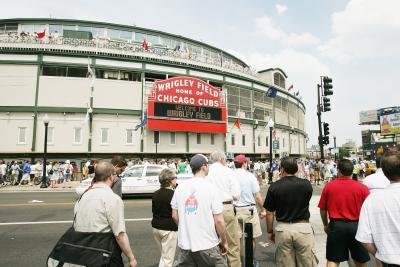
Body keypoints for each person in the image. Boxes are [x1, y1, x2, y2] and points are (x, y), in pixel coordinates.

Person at [74, 160, 137, 267]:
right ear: (110, 177)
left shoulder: (83, 196)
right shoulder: (112, 199)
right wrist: (131, 257)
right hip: (104, 251)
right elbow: (120, 234)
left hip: (83, 250)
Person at [171, 154, 228, 267]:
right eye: (208, 165)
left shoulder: (180, 188)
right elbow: (219, 221)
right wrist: (224, 241)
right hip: (207, 244)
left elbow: (174, 215)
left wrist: (185, 228)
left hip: (185, 246)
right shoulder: (211, 188)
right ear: (204, 167)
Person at [264, 157, 317, 267]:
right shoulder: (306, 184)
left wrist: (270, 231)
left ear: (282, 169)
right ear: (297, 169)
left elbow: (269, 212)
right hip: (303, 227)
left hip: (283, 228)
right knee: (307, 262)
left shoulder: (274, 187)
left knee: (285, 263)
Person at [318, 159, 370, 267]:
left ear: (339, 171)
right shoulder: (362, 188)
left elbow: (323, 208)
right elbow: (368, 210)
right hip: (356, 226)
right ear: (352, 171)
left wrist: (325, 224)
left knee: (333, 259)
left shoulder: (329, 186)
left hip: (336, 225)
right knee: (360, 260)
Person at [356, 153, 400, 266]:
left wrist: (380, 254)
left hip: (388, 261)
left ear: (384, 172)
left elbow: (364, 238)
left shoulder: (372, 200)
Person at [207, 150, 241, 267]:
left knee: (212, 244)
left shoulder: (207, 172)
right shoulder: (229, 171)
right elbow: (237, 195)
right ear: (222, 159)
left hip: (209, 209)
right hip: (225, 207)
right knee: (232, 244)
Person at [233, 155, 266, 267]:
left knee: (236, 239)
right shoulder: (250, 176)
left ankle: (237, 262)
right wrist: (262, 209)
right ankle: (250, 261)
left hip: (234, 209)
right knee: (251, 237)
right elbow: (257, 196)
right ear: (244, 164)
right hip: (249, 209)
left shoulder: (230, 176)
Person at [152, 168, 178, 267]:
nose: (176, 180)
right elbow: (175, 215)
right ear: (170, 180)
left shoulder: (155, 193)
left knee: (164, 255)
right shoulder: (174, 194)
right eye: (175, 178)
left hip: (156, 227)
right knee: (168, 259)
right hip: (169, 229)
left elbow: (154, 211)